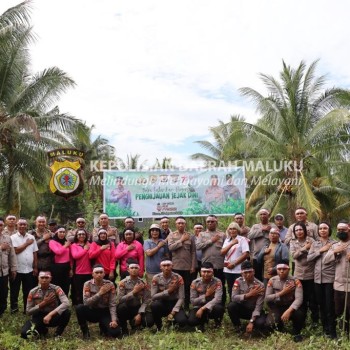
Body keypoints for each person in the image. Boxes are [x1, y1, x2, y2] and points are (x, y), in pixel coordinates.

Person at [20, 271, 71, 339]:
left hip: (53, 316)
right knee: (24, 334)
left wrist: (50, 314)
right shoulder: (33, 291)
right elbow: (28, 311)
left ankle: (57, 334)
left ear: (50, 278)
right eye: (42, 277)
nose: (44, 280)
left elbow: (66, 303)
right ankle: (43, 330)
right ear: (38, 278)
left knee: (66, 312)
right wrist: (43, 303)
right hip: (38, 316)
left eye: (47, 278)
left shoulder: (56, 289)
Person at [307, 222, 337, 338]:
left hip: (330, 278)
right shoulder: (315, 244)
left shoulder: (334, 243)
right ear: (318, 231)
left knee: (330, 305)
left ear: (329, 230)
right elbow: (309, 258)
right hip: (317, 279)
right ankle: (325, 329)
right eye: (320, 228)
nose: (323, 230)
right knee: (321, 304)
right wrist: (320, 251)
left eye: (325, 228)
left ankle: (332, 329)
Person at [75, 264, 121, 339]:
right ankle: (85, 331)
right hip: (92, 311)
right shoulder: (87, 284)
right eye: (96, 273)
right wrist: (100, 293)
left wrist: (114, 320)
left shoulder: (110, 284)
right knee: (79, 308)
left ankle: (103, 326)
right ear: (92, 274)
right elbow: (86, 302)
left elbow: (112, 304)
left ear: (104, 274)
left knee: (115, 333)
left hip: (105, 311)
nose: (99, 274)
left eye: (101, 272)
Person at [265, 264, 305, 342]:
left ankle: (296, 333)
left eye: (284, 269)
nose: (282, 271)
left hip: (290, 306)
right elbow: (267, 298)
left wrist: (289, 310)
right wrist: (282, 293)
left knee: (300, 314)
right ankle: (279, 327)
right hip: (277, 306)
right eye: (279, 269)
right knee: (269, 324)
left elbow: (299, 299)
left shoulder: (295, 281)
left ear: (289, 270)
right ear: (276, 270)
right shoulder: (272, 280)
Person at [323, 221, 350, 334]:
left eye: (343, 229)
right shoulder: (335, 245)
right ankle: (342, 331)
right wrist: (335, 252)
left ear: (349, 230)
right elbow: (325, 261)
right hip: (338, 284)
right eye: (338, 230)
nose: (340, 232)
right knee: (339, 310)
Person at [289, 221, 318, 325]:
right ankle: (302, 321)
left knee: (312, 299)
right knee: (301, 299)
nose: (299, 231)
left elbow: (315, 254)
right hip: (299, 275)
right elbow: (294, 256)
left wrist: (301, 251)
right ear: (294, 232)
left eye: (300, 229)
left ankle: (315, 322)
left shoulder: (312, 240)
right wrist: (305, 248)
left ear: (304, 230)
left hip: (311, 274)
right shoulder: (292, 242)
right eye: (296, 230)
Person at [227, 261, 265, 334]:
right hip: (243, 309)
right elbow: (233, 298)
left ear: (253, 272)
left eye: (250, 272)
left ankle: (254, 326)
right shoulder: (238, 281)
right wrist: (248, 295)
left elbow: (258, 306)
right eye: (245, 273)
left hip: (254, 310)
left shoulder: (260, 285)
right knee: (231, 306)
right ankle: (237, 326)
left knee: (260, 323)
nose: (248, 275)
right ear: (242, 273)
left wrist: (251, 321)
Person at [117, 261, 154, 335]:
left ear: (139, 270)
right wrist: (133, 292)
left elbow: (147, 300)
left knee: (149, 322)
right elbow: (120, 299)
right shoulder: (122, 282)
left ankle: (134, 324)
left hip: (137, 308)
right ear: (128, 270)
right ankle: (124, 328)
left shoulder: (143, 283)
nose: (134, 269)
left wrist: (140, 313)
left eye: (136, 268)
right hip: (126, 307)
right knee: (121, 307)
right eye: (132, 268)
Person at [196, 215, 226, 304]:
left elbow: (226, 248)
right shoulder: (202, 234)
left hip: (219, 265)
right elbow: (198, 246)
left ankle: (221, 304)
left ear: (216, 222)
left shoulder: (222, 234)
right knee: (205, 285)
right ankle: (205, 302)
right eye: (208, 221)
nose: (210, 223)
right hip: (207, 265)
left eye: (212, 221)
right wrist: (211, 241)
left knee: (220, 285)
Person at [167, 216, 196, 309]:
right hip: (176, 266)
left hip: (187, 267)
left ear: (185, 224)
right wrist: (181, 240)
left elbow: (193, 252)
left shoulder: (190, 236)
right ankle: (176, 306)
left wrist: (193, 266)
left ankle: (187, 305)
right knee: (175, 287)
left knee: (187, 287)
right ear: (175, 224)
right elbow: (170, 248)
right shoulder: (172, 235)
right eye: (178, 223)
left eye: (182, 223)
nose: (180, 225)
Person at [10, 218, 38, 314]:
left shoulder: (31, 237)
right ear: (17, 225)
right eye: (20, 224)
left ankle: (27, 308)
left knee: (28, 290)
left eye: (24, 224)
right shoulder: (13, 237)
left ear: (27, 226)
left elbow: (34, 253)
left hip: (29, 269)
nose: (22, 226)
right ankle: (14, 308)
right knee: (15, 290)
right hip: (16, 269)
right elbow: (15, 251)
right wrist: (26, 243)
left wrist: (35, 267)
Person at [150, 260, 188, 330]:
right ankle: (159, 326)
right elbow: (153, 296)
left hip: (175, 302)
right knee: (154, 305)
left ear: (172, 266)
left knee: (182, 321)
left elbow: (181, 297)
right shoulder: (156, 278)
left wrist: (173, 312)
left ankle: (173, 321)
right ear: (160, 267)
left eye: (168, 265)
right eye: (164, 266)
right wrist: (168, 291)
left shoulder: (178, 278)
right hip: (162, 303)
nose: (166, 268)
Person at [188, 262, 224, 330]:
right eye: (204, 272)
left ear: (212, 272)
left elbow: (218, 299)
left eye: (208, 272)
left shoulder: (217, 282)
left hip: (212, 306)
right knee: (191, 322)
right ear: (200, 272)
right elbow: (193, 301)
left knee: (219, 308)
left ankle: (217, 322)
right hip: (198, 306)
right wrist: (206, 295)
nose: (206, 274)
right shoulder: (195, 283)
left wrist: (203, 308)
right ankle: (203, 321)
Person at [221, 222, 250, 298]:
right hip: (227, 269)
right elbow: (222, 252)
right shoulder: (227, 240)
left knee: (239, 287)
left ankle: (240, 303)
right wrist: (232, 243)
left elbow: (246, 254)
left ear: (237, 230)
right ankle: (232, 303)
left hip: (238, 269)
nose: (232, 231)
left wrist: (234, 264)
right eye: (230, 229)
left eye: (234, 229)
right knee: (230, 288)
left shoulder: (242, 239)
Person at [248, 208, 276, 281]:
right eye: (261, 214)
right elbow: (249, 236)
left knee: (269, 275)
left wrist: (270, 230)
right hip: (256, 255)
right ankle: (259, 291)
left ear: (268, 215)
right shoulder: (255, 226)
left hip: (269, 255)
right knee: (257, 275)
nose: (263, 216)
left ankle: (268, 290)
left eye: (264, 214)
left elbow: (277, 237)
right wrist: (262, 230)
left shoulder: (273, 226)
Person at [0, 217, 17, 317]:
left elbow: (12, 254)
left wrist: (14, 268)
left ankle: (2, 310)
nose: (0, 227)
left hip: (4, 271)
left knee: (3, 291)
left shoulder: (7, 238)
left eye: (1, 225)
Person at [71, 229, 92, 305]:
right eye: (79, 234)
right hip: (78, 271)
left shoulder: (90, 244)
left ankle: (88, 304)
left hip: (89, 271)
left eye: (83, 234)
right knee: (79, 290)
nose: (81, 235)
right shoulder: (74, 245)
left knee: (88, 290)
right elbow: (75, 256)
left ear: (86, 235)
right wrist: (85, 250)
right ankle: (80, 306)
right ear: (76, 236)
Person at [49, 226, 72, 296]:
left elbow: (70, 256)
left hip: (66, 266)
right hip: (56, 267)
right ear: (56, 233)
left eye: (63, 232)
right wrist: (65, 246)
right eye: (60, 232)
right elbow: (58, 252)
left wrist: (71, 268)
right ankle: (56, 303)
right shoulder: (52, 242)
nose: (62, 234)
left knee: (66, 286)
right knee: (56, 286)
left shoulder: (66, 242)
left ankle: (65, 303)